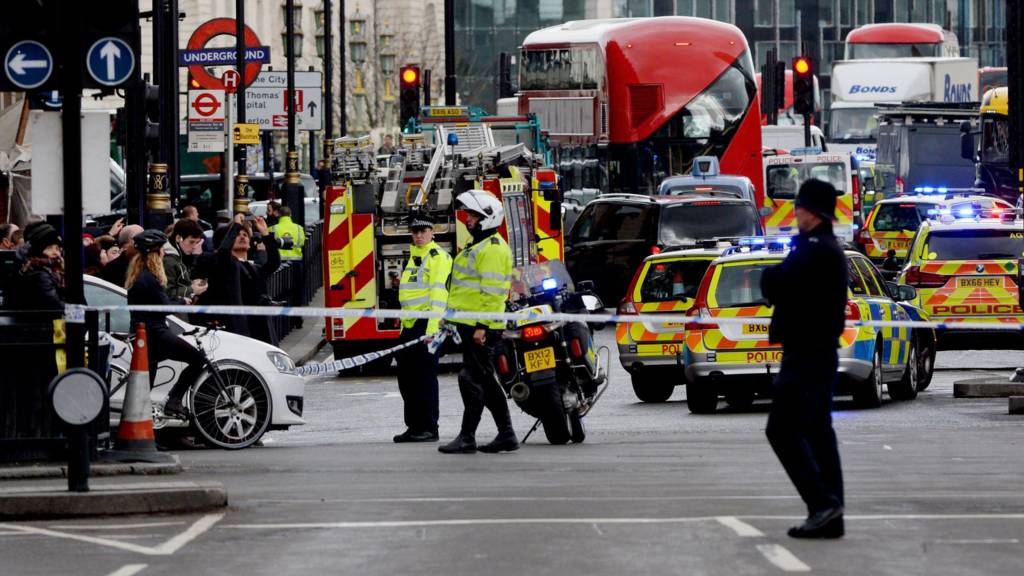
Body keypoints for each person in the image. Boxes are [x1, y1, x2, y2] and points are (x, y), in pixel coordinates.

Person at [760, 178, 848, 539]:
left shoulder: (816, 249)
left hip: (807, 354)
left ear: (813, 212)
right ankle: (831, 513)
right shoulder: (820, 246)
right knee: (817, 433)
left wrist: (771, 276)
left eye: (800, 206)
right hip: (816, 352)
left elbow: (777, 283)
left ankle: (822, 503)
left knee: (781, 430)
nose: (795, 212)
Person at [439, 190, 516, 455]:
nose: (467, 219)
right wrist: (449, 319)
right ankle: (506, 434)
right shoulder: (478, 246)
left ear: (487, 218)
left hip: (482, 327)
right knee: (482, 379)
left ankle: (468, 437)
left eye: (473, 215)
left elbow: (492, 292)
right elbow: (463, 290)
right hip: (469, 324)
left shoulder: (491, 249)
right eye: (468, 214)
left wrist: (482, 326)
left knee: (470, 379)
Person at [125, 230, 208, 419]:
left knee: (146, 386)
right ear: (154, 254)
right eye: (161, 250)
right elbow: (163, 306)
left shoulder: (139, 274)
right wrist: (183, 302)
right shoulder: (149, 278)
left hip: (145, 332)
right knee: (197, 360)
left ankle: (145, 429)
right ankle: (174, 400)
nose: (164, 253)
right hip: (154, 332)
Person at [394, 212, 452, 443]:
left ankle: (429, 427)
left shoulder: (438, 257)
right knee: (407, 379)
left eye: (423, 231)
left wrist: (431, 332)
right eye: (415, 231)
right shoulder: (415, 256)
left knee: (425, 379)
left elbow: (438, 295)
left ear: (432, 233)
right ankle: (414, 426)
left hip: (427, 326)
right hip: (410, 326)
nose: (419, 235)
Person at [206, 214, 281, 344]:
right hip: (240, 329)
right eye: (238, 235)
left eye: (245, 235)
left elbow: (274, 263)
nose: (242, 237)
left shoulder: (254, 268)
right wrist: (235, 226)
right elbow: (223, 254)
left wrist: (265, 234)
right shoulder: (227, 265)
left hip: (260, 327)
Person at [3, 222, 64, 310]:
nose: (56, 253)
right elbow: (58, 307)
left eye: (57, 248)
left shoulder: (27, 268)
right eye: (49, 248)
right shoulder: (40, 276)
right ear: (38, 250)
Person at [269, 205, 306, 327]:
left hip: (280, 264)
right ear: (290, 215)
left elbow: (270, 245)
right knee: (296, 292)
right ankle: (297, 319)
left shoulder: (273, 228)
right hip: (296, 263)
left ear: (279, 215)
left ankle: (282, 322)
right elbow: (301, 243)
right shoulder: (299, 228)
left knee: (281, 292)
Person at [163, 218, 206, 300]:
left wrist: (191, 283)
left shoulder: (178, 255)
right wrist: (192, 289)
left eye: (197, 242)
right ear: (178, 238)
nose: (194, 247)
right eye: (191, 242)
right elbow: (166, 293)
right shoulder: (168, 260)